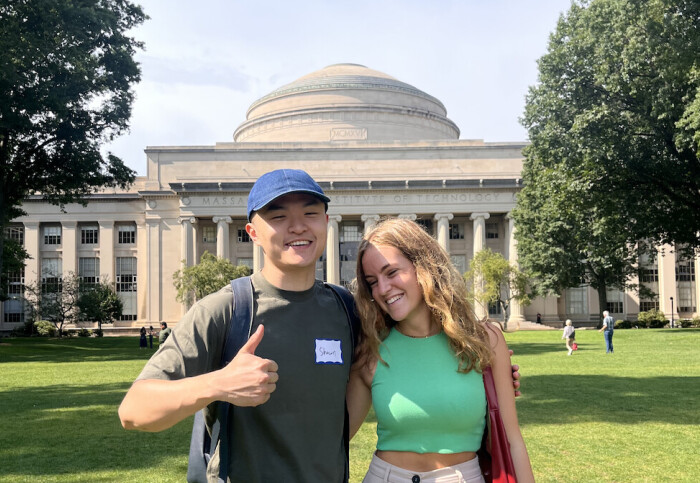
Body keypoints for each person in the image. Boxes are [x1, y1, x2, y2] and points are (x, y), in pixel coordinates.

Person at [118, 169, 521, 482]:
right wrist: (218, 385)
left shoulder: (347, 311)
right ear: (253, 233)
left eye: (310, 213)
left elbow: (411, 351)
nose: (297, 226)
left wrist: (489, 375)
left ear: (326, 222)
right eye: (279, 216)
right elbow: (134, 411)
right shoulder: (223, 310)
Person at [346, 218, 534, 483]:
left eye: (391, 273)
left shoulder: (485, 341)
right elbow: (332, 439)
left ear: (423, 267)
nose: (383, 289)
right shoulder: (371, 351)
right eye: (372, 282)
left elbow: (512, 440)